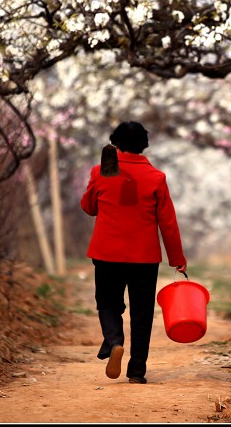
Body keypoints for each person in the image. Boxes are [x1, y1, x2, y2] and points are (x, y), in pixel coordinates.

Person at [80, 121, 187, 385]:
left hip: (106, 254)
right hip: (144, 257)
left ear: (114, 144)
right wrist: (177, 259)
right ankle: (137, 370)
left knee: (107, 303)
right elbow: (168, 222)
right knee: (142, 313)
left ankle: (115, 340)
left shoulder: (101, 171)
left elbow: (89, 207)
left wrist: (99, 178)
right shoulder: (157, 178)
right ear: (144, 146)